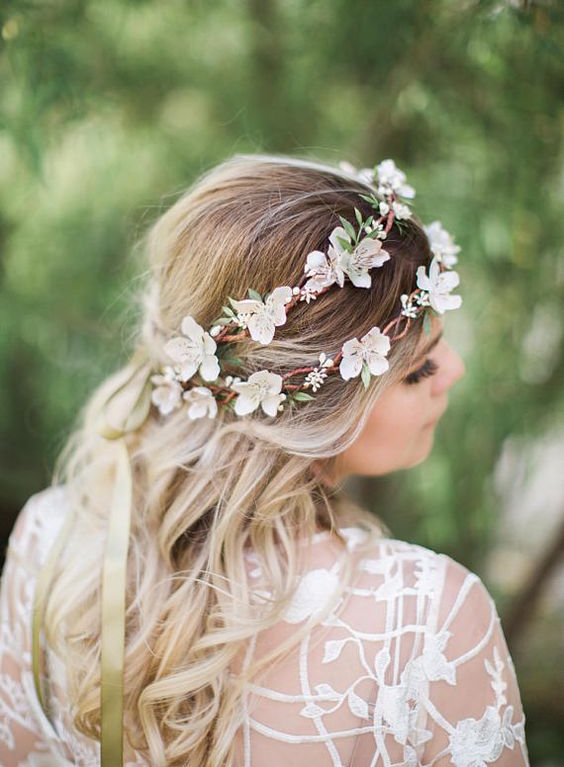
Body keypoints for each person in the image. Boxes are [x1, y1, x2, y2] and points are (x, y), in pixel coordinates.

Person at [0, 154, 529, 766]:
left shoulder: (52, 541)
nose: (455, 372)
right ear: (317, 408)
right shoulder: (425, 618)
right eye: (420, 369)